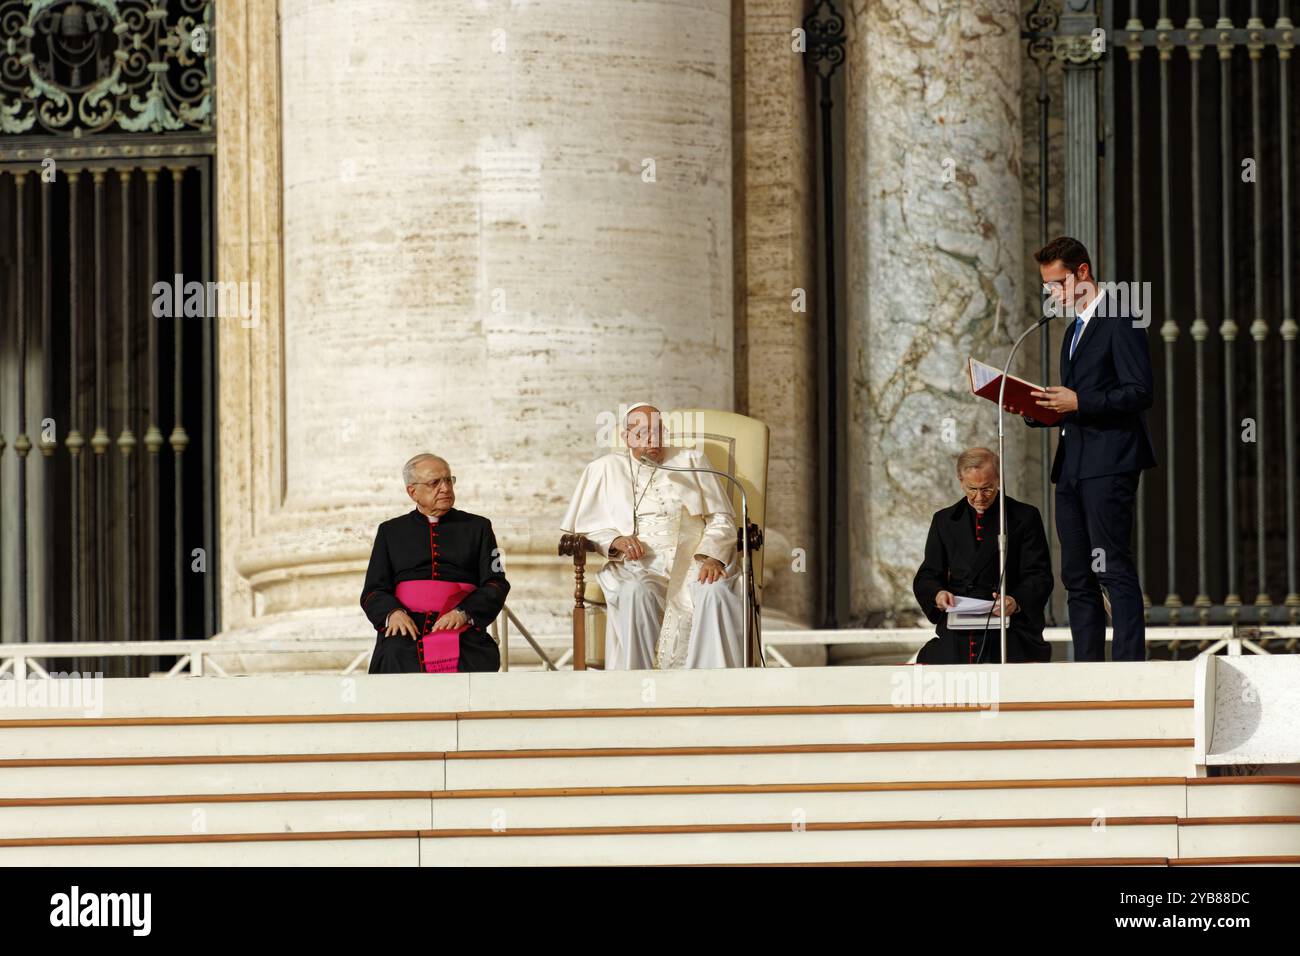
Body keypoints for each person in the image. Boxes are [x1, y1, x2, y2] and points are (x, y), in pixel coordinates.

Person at [1026, 236, 1156, 662]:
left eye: (1058, 284)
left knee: (1111, 567)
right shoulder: (1071, 332)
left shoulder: (1121, 317)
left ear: (1082, 272)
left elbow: (1139, 391)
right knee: (1076, 573)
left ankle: (1128, 668)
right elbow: (1075, 400)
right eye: (1047, 288)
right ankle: (1086, 668)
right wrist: (1040, 408)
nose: (1053, 295)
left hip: (1110, 461)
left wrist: (1079, 402)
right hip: (1072, 466)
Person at [561, 402, 745, 669]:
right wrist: (615, 541)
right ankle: (638, 690)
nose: (653, 439)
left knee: (714, 591)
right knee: (635, 592)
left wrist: (712, 557)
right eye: (644, 433)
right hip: (639, 566)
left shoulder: (691, 461)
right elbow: (588, 528)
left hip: (694, 560)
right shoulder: (605, 468)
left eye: (658, 431)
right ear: (627, 437)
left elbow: (721, 517)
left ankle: (711, 689)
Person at [360, 453, 508, 673]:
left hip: (461, 625)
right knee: (394, 652)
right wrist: (393, 613)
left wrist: (463, 612)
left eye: (448, 480)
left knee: (472, 655)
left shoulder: (479, 527)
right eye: (434, 483)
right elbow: (373, 590)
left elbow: (496, 583)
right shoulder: (390, 532)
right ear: (412, 492)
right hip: (407, 627)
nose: (445, 488)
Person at [912, 447, 1053, 664]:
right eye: (972, 489)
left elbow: (1039, 575)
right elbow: (927, 576)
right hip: (958, 627)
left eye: (987, 488)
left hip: (1009, 626)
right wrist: (938, 594)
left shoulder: (1024, 517)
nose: (979, 497)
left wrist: (1015, 600)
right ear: (960, 481)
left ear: (998, 479)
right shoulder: (944, 521)